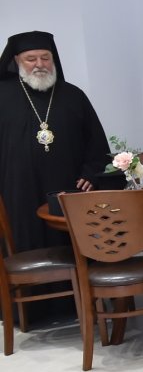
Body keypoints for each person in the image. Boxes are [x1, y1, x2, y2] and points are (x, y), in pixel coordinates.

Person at [0, 31, 110, 254]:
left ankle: (78, 290)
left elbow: (97, 144)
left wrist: (90, 173)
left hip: (67, 191)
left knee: (71, 249)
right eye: (31, 59)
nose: (39, 64)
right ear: (16, 61)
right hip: (17, 193)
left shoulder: (73, 95)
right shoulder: (2, 95)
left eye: (45, 57)